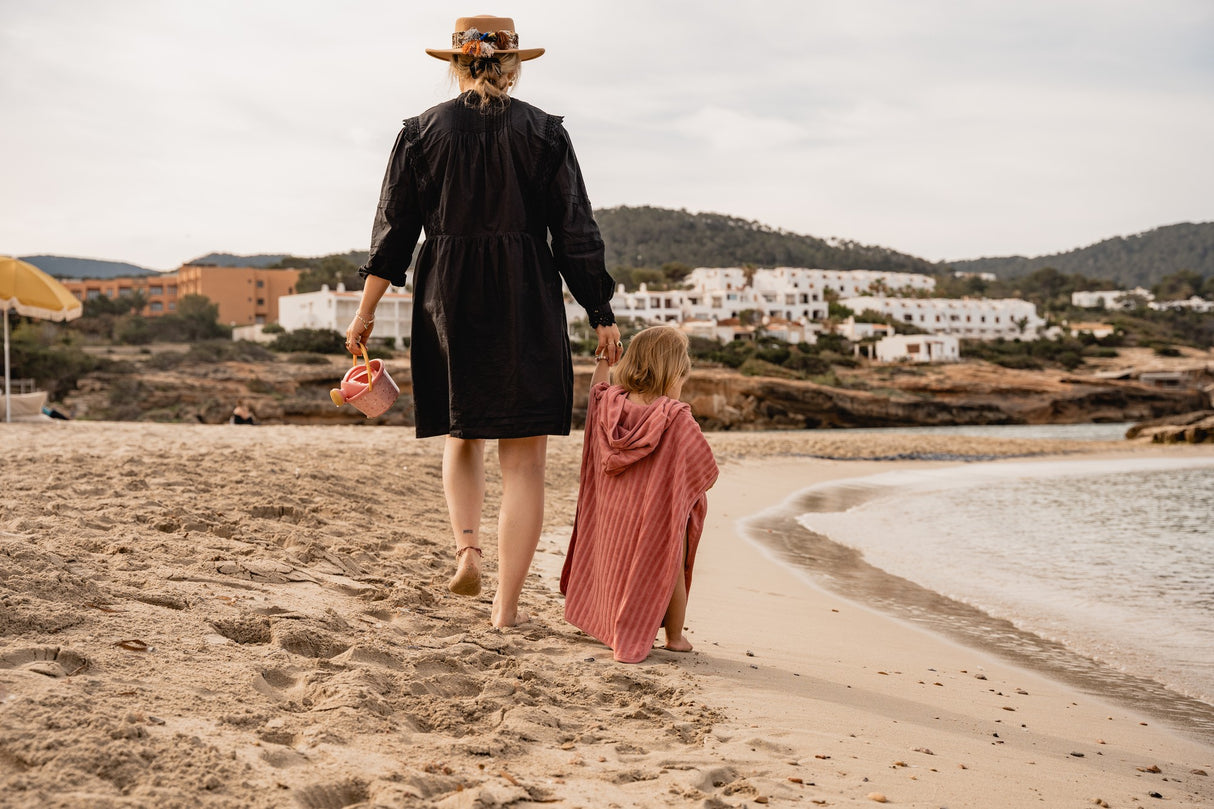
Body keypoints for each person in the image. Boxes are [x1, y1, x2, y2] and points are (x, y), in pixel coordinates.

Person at [346, 15, 621, 628]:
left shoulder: (420, 133)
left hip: (449, 289)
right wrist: (600, 310)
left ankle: (468, 548)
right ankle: (506, 608)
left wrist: (364, 313)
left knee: (462, 433)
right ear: (514, 65)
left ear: (458, 64)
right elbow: (574, 230)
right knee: (523, 461)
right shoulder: (545, 133)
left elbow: (392, 234)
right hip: (524, 290)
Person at [559, 326, 718, 663]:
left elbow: (596, 390)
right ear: (674, 371)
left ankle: (605, 622)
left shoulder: (608, 407)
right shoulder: (676, 418)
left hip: (613, 515)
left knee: (612, 562)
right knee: (672, 556)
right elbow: (705, 469)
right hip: (649, 515)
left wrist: (604, 359)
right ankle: (675, 638)